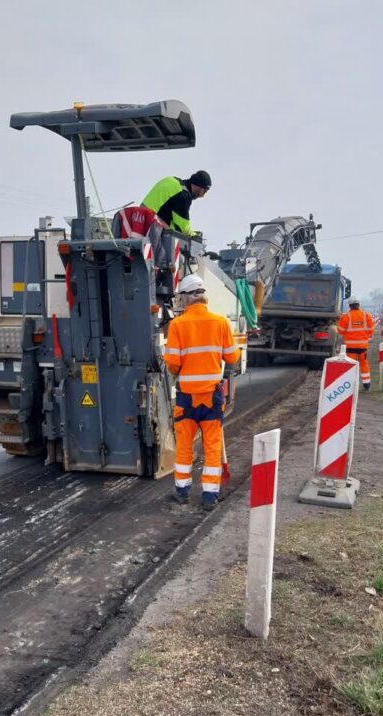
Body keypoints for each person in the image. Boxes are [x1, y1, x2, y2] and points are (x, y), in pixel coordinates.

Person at [163, 273, 241, 509]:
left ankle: (182, 491)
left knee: (185, 446)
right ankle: (209, 496)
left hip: (187, 398)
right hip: (211, 397)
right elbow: (233, 358)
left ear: (186, 298)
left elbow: (172, 364)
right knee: (212, 446)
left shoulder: (177, 325)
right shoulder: (221, 322)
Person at [141, 170, 211, 238]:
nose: (203, 195)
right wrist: (194, 236)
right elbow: (183, 227)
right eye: (204, 191)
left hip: (140, 217)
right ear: (198, 185)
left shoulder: (172, 181)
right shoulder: (183, 194)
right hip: (152, 225)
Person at [337, 296, 377, 390]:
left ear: (349, 305)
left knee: (351, 365)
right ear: (359, 304)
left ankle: (350, 385)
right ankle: (366, 384)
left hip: (350, 347)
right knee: (364, 364)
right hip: (363, 347)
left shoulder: (346, 316)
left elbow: (340, 331)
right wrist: (364, 335)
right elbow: (371, 329)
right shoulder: (366, 315)